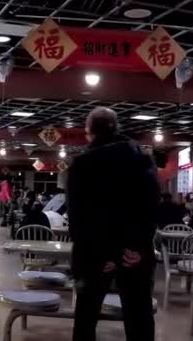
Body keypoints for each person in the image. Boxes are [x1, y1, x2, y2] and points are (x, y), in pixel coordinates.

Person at [68, 107, 159, 341]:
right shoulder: (141, 157)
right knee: (139, 315)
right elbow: (150, 206)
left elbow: (78, 217)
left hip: (96, 255)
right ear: (116, 127)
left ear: (89, 132)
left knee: (86, 316)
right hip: (134, 253)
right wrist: (136, 249)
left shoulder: (82, 163)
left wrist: (104, 256)